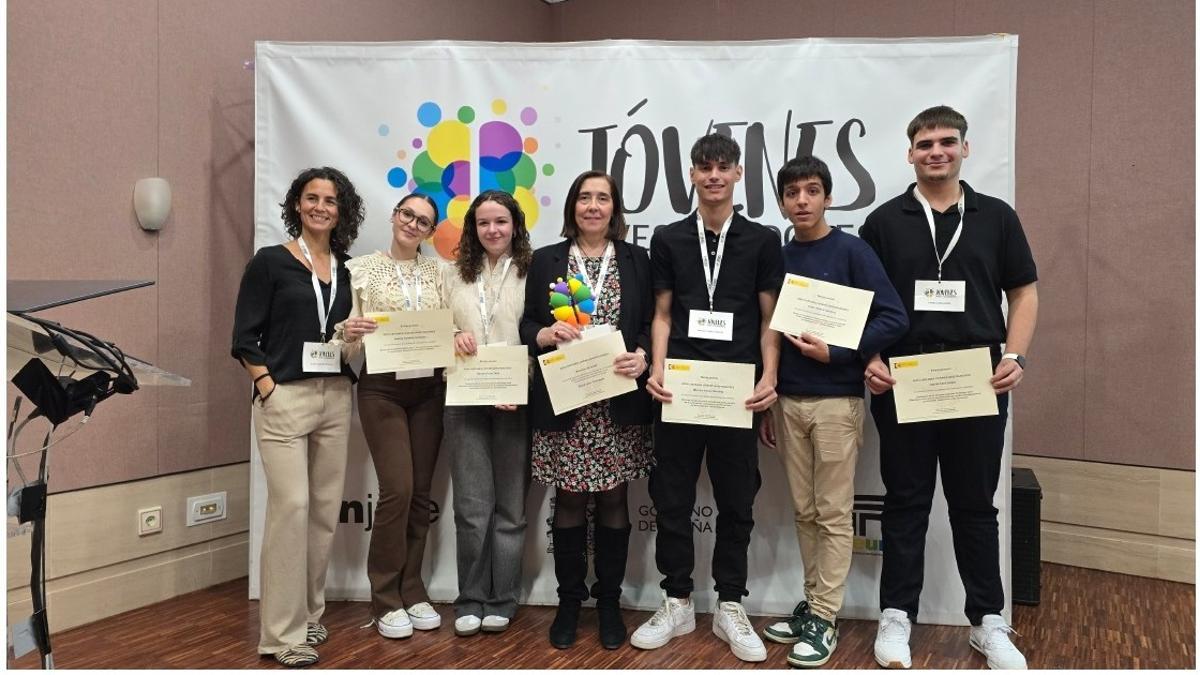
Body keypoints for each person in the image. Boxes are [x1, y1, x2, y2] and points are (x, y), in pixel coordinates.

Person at [860, 106, 1038, 670]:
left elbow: (1025, 293)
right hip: (906, 382)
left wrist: (1015, 354)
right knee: (906, 503)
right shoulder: (883, 222)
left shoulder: (998, 218)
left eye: (946, 142)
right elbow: (860, 300)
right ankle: (896, 616)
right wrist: (870, 356)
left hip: (978, 382)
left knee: (974, 507)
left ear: (966, 149)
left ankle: (988, 621)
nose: (936, 151)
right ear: (909, 154)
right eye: (925, 144)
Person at [632, 134, 783, 663]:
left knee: (737, 500)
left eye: (723, 167)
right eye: (704, 167)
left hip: (737, 392)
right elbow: (663, 314)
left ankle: (730, 604)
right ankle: (676, 600)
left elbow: (769, 320)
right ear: (691, 175)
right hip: (681, 389)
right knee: (671, 497)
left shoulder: (763, 240)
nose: (714, 175)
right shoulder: (670, 238)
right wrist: (657, 367)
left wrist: (770, 378)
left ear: (739, 173)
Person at [757, 156, 909, 668]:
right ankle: (813, 605)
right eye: (792, 193)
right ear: (781, 201)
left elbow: (894, 317)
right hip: (788, 402)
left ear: (827, 197)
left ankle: (824, 616)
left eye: (812, 191)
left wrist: (839, 353)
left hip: (837, 403)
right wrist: (768, 396)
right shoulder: (778, 257)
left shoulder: (852, 251)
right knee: (804, 511)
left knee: (834, 513)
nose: (802, 201)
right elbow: (772, 330)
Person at [232, 166, 364, 667]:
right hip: (284, 396)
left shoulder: (350, 269)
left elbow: (347, 340)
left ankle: (309, 612)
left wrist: (356, 337)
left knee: (323, 514)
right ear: (297, 204)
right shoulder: (270, 262)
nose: (321, 207)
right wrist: (267, 387)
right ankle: (281, 637)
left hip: (336, 396)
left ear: (341, 211)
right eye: (312, 198)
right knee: (290, 510)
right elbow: (244, 336)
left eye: (331, 201)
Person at [519, 171, 654, 650]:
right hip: (566, 401)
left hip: (617, 400)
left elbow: (647, 324)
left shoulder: (637, 260)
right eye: (584, 197)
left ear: (615, 208)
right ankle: (571, 601)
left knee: (616, 500)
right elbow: (527, 322)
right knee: (570, 501)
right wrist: (543, 335)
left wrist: (644, 355)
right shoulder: (547, 260)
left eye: (603, 198)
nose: (593, 206)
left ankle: (611, 601)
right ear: (573, 206)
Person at [336, 193, 447, 640]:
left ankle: (413, 588)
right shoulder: (359, 269)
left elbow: (453, 325)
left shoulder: (442, 272)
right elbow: (342, 338)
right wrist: (350, 332)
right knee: (397, 490)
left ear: (431, 231)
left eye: (423, 221)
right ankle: (384, 597)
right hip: (381, 389)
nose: (413, 224)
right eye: (408, 215)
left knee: (420, 493)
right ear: (394, 216)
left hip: (429, 391)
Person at [440, 191, 533, 637]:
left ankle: (503, 597)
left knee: (510, 509)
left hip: (515, 400)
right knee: (472, 508)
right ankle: (471, 597)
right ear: (472, 229)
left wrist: (521, 384)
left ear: (515, 224)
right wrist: (454, 333)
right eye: (483, 223)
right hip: (464, 398)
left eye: (500, 221)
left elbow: (538, 334)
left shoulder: (533, 271)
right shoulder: (453, 274)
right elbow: (436, 327)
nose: (492, 230)